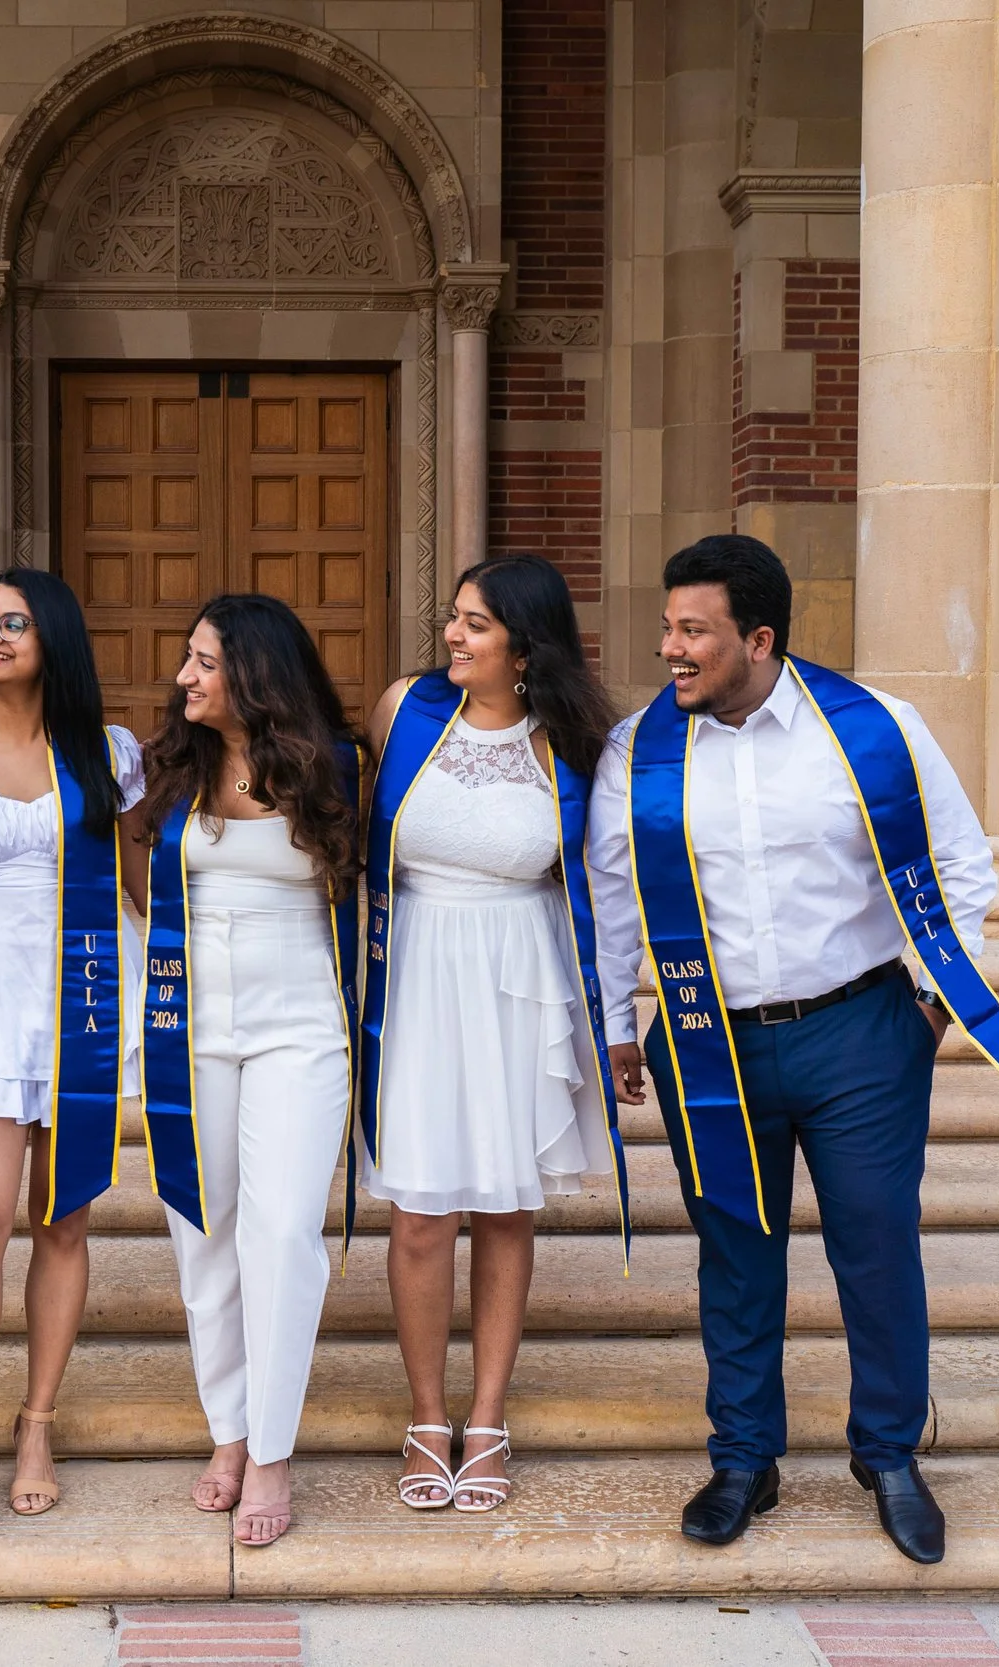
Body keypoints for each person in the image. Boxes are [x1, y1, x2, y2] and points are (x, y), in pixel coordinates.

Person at [587, 534, 999, 1567]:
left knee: (874, 1239)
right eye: (669, 626)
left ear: (757, 638)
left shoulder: (868, 727)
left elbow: (958, 855)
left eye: (694, 630)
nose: (668, 646)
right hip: (704, 1035)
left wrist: (937, 998)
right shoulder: (639, 748)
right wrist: (612, 1024)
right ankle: (742, 1457)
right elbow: (607, 893)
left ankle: (890, 1453)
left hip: (859, 1029)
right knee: (733, 1250)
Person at [357, 554, 627, 1515]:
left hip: (519, 972)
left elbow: (606, 883)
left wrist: (623, 1017)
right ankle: (428, 1416)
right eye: (455, 619)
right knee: (422, 1210)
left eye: (474, 623)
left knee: (507, 1208)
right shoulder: (405, 712)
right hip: (419, 966)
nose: (453, 637)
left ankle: (489, 1414)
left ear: (525, 642)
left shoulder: (576, 745)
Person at [0, 568, 148, 1524]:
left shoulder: (109, 753)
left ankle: (38, 1419)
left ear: (53, 637)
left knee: (64, 1220)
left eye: (13, 622)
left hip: (84, 993)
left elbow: (148, 871)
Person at [137, 594, 363, 1549]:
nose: (184, 677)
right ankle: (227, 1429)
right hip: (194, 1020)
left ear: (256, 676)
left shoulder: (336, 767)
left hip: (301, 1022)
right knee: (205, 1228)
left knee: (281, 1232)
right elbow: (135, 878)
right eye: (187, 658)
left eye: (203, 663)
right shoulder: (175, 766)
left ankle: (272, 1448)